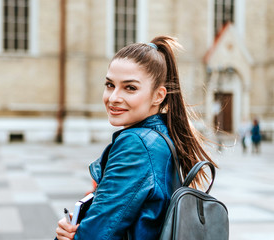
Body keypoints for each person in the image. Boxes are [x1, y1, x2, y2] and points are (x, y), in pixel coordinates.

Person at [55, 36, 217, 240]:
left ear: (158, 96)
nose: (113, 98)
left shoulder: (136, 145)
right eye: (110, 85)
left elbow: (95, 235)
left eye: (130, 87)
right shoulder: (163, 136)